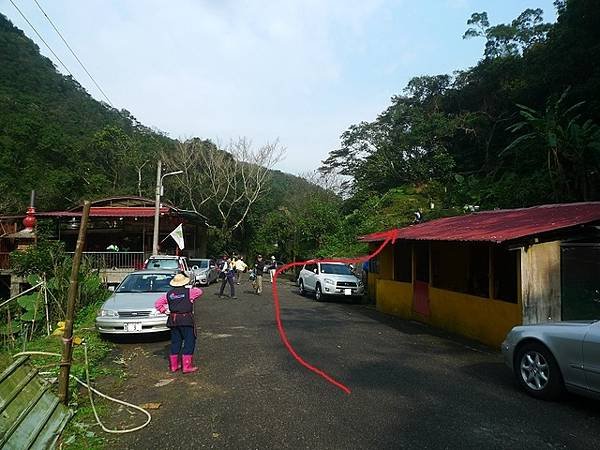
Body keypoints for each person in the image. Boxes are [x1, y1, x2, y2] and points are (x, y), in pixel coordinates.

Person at [154, 273, 203, 373]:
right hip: (186, 320)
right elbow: (199, 291)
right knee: (189, 342)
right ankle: (187, 367)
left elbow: (158, 304)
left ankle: (174, 366)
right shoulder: (190, 292)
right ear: (184, 282)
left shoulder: (168, 294)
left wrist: (165, 311)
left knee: (176, 342)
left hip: (174, 320)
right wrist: (191, 285)